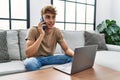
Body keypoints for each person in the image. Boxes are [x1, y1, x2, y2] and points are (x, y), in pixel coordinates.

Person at [24, 5, 74, 71]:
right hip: (36, 59)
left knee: (73, 59)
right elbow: (28, 54)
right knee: (29, 63)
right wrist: (41, 34)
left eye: (53, 17)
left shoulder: (57, 31)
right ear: (42, 18)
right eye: (48, 17)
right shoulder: (33, 30)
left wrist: (76, 55)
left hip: (50, 58)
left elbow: (66, 49)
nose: (51, 20)